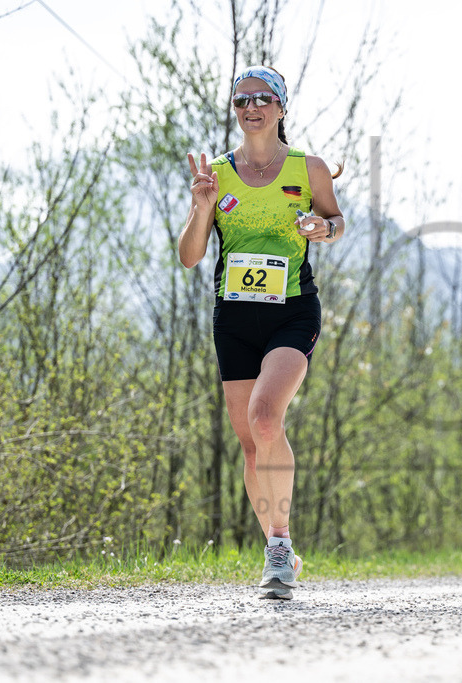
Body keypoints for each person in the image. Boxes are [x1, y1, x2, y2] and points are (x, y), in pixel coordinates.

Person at [178, 65, 344, 600]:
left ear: (280, 108)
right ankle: (278, 548)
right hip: (234, 317)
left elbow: (335, 222)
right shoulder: (217, 174)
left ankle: (278, 548)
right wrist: (202, 208)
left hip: (292, 311)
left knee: (267, 418)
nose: (251, 106)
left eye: (262, 98)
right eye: (241, 99)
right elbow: (190, 256)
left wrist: (323, 229)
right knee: (251, 444)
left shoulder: (308, 167)